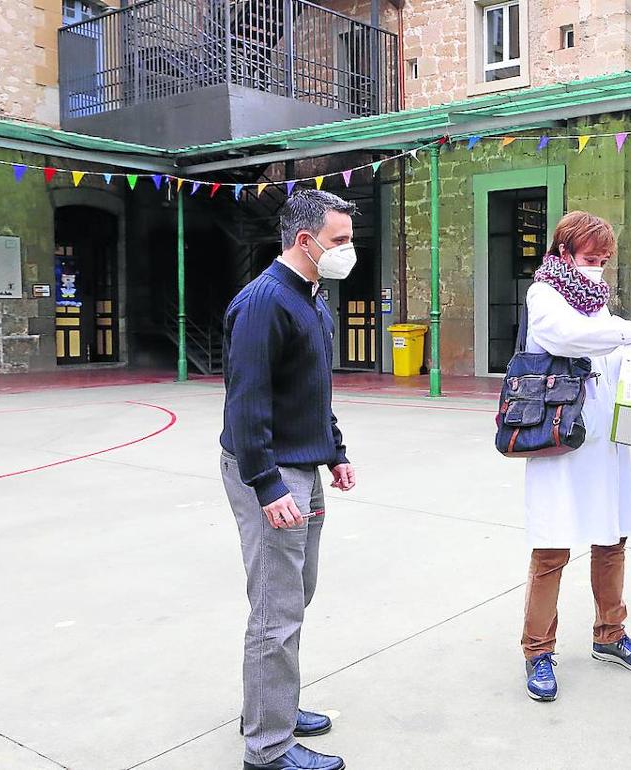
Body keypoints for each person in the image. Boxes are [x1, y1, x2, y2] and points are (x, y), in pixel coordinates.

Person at [220, 189, 359, 770]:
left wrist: (336, 451)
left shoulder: (312, 298)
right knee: (276, 609)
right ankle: (268, 746)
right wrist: (267, 484)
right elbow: (246, 402)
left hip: (304, 462)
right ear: (305, 242)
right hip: (270, 469)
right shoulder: (264, 303)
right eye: (340, 241)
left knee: (295, 595)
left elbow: (309, 389)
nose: (349, 251)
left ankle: (270, 704)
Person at [518, 211, 631, 702]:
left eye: (604, 261)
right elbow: (572, 338)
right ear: (563, 253)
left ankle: (610, 634)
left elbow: (610, 351)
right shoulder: (543, 294)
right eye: (590, 259)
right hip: (560, 439)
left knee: (612, 537)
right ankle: (538, 651)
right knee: (552, 547)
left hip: (604, 439)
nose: (598, 270)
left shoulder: (599, 303)